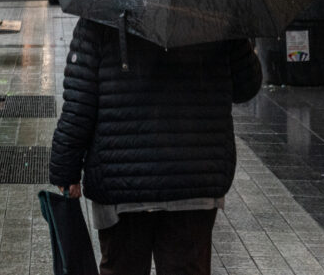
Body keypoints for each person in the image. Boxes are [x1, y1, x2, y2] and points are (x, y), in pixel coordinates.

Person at [49, 18, 262, 275]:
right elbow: (246, 87)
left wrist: (65, 169)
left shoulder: (100, 14)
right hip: (194, 177)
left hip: (122, 180)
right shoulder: (216, 10)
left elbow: (79, 103)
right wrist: (242, 36)